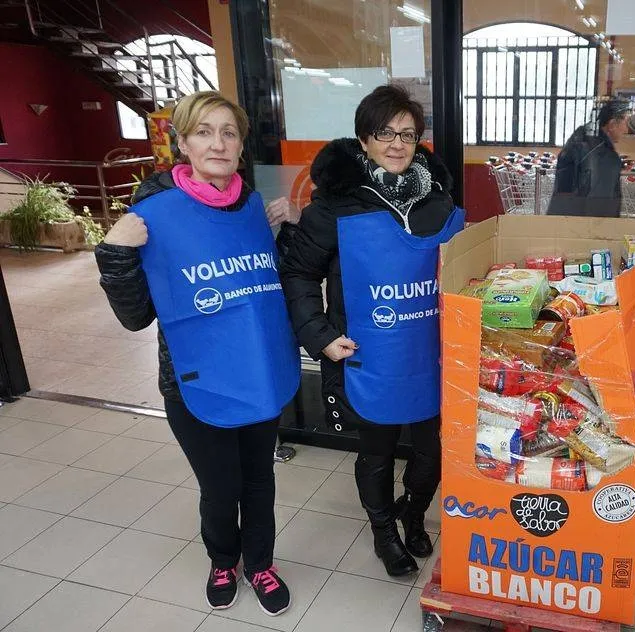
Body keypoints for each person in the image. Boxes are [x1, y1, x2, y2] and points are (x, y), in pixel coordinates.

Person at [95, 91, 302, 616]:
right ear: (182, 143)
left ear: (241, 144)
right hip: (193, 383)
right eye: (204, 132)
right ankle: (223, 560)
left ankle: (261, 563)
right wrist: (116, 253)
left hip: (256, 375)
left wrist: (287, 233)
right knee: (220, 486)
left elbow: (264, 290)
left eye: (229, 133)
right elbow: (136, 317)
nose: (218, 143)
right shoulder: (152, 215)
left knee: (259, 480)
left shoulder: (252, 208)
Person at [278, 85, 463, 577]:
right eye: (385, 133)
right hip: (367, 354)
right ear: (364, 139)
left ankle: (414, 514)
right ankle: (384, 531)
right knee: (377, 452)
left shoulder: (437, 200)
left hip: (429, 353)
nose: (397, 143)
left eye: (407, 134)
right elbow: (298, 273)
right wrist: (319, 335)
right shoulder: (335, 206)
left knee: (431, 451)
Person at [547, 97, 632, 217]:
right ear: (612, 124)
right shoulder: (603, 156)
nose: (626, 130)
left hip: (564, 219)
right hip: (583, 224)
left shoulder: (580, 141)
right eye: (626, 123)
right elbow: (599, 205)